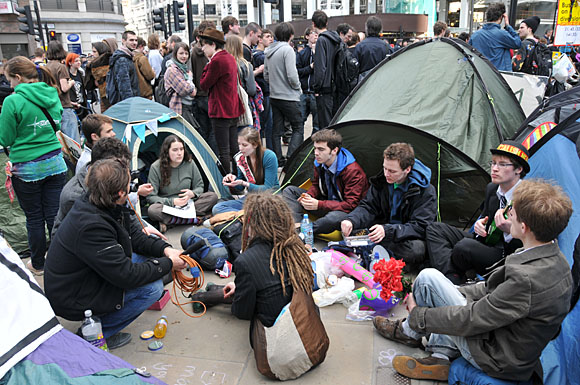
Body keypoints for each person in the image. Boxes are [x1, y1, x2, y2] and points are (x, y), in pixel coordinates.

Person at [375, 180, 573, 383]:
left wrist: (419, 315)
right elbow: (490, 291)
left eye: (511, 214)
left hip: (495, 357)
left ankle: (413, 331)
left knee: (428, 282)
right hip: (507, 339)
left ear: (524, 227)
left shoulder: (526, 279)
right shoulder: (556, 260)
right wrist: (455, 291)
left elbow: (472, 319)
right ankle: (439, 354)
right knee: (436, 282)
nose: (507, 215)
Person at [44, 158, 187, 349]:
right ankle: (91, 339)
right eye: (129, 183)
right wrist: (169, 264)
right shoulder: (91, 226)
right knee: (151, 288)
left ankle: (101, 322)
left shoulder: (100, 199)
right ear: (120, 192)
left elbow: (135, 237)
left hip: (86, 275)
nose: (131, 187)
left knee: (150, 262)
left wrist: (165, 249)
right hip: (72, 295)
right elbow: (127, 276)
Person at [0, 56, 67, 275]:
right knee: (55, 215)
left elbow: (5, 138)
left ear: (17, 77)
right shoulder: (51, 93)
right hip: (55, 164)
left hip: (27, 169)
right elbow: (57, 123)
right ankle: (62, 261)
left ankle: (38, 263)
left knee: (35, 218)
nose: (9, 84)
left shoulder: (13, 100)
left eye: (9, 79)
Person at [425, 140, 528, 284]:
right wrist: (480, 224)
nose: (494, 168)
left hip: (505, 254)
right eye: (493, 163)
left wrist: (509, 232)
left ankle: (452, 276)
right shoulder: (492, 189)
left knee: (464, 247)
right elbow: (486, 218)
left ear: (518, 169)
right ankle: (452, 278)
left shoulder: (526, 198)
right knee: (435, 228)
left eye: (502, 164)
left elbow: (528, 246)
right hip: (485, 241)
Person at [223, 193, 314, 329]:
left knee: (237, 294)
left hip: (275, 334)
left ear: (251, 223)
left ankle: (201, 297)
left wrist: (242, 290)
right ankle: (205, 295)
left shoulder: (247, 261)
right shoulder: (296, 245)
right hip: (305, 323)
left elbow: (242, 313)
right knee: (239, 289)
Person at [341, 143, 437, 267]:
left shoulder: (426, 191)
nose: (386, 174)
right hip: (383, 231)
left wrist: (388, 231)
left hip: (405, 236)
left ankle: (370, 251)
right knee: (350, 227)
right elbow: (368, 206)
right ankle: (379, 252)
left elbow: (420, 227)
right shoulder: (382, 181)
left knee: (416, 250)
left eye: (392, 171)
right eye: (385, 168)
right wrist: (351, 220)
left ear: (407, 169)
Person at [53, 136, 160, 239]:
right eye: (120, 169)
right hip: (87, 244)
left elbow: (124, 211)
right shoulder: (75, 196)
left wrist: (142, 228)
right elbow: (95, 240)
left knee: (154, 239)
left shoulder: (108, 182)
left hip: (108, 235)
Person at [282, 129, 368, 234]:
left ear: (334, 150)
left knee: (333, 218)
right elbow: (316, 185)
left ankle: (305, 231)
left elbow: (351, 205)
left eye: (321, 149)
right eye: (315, 149)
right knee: (290, 191)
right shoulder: (319, 163)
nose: (316, 153)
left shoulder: (352, 171)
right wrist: (309, 196)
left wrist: (319, 204)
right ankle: (295, 225)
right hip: (326, 202)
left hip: (344, 211)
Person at [146, 135, 218, 230]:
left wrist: (192, 193)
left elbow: (200, 186)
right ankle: (195, 219)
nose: (179, 153)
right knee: (152, 210)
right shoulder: (156, 167)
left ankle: (172, 222)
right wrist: (172, 202)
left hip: (188, 203)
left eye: (181, 149)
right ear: (167, 152)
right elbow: (151, 197)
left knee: (212, 197)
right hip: (169, 206)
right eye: (175, 150)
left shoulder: (190, 163)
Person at [199, 28, 244, 174]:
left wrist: (207, 65)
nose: (202, 49)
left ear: (212, 44)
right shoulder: (229, 58)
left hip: (220, 111)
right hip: (232, 109)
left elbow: (204, 84)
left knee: (223, 150)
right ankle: (239, 179)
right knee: (234, 149)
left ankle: (228, 184)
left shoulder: (216, 61)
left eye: (204, 45)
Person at [212, 127, 280, 214]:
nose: (240, 148)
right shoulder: (240, 158)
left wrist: (244, 183)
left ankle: (244, 216)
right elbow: (240, 188)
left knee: (263, 212)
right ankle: (246, 215)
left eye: (244, 145)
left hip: (269, 199)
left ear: (255, 145)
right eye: (239, 144)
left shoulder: (269, 156)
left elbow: (267, 188)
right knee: (217, 207)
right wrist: (233, 179)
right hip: (251, 198)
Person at [265, 22, 303, 166]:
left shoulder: (269, 51)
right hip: (289, 96)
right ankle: (291, 159)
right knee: (298, 126)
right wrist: (297, 88)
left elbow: (267, 75)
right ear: (291, 35)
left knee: (277, 129)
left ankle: (278, 160)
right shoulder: (288, 50)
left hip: (274, 95)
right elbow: (292, 75)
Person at [191, 21, 218, 154]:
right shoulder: (209, 51)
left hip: (199, 95)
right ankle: (213, 159)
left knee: (205, 131)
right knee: (214, 130)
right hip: (209, 95)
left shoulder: (193, 51)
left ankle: (206, 158)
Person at [469, 2, 521, 71]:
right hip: (499, 76)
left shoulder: (475, 36)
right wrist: (508, 26)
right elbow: (518, 43)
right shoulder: (502, 34)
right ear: (501, 17)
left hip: (481, 75)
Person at [312, 10, 340, 129]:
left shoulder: (321, 41)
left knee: (325, 127)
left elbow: (320, 68)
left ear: (313, 24)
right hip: (336, 87)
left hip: (325, 89)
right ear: (327, 23)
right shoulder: (336, 39)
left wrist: (317, 87)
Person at [46, 40, 79, 142]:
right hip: (64, 108)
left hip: (52, 108)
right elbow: (64, 88)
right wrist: (71, 83)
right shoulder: (61, 67)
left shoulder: (45, 68)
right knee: (72, 141)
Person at [226, 35, 256, 129]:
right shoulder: (246, 65)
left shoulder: (223, 64)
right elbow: (251, 90)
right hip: (242, 105)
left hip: (227, 106)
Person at [164, 42, 198, 127]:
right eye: (181, 53)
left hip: (188, 107)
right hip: (180, 108)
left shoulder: (183, 68)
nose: (184, 56)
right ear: (175, 54)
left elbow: (192, 91)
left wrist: (191, 87)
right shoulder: (172, 70)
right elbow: (185, 90)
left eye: (186, 53)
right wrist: (190, 79)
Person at [252, 29, 274, 149]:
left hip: (264, 93)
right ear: (260, 39)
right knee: (266, 124)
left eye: (271, 36)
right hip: (263, 93)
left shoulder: (260, 54)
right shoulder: (260, 56)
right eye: (267, 36)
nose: (270, 39)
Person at [106, 30, 140, 105]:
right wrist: (130, 104)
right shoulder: (122, 60)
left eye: (136, 40)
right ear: (123, 41)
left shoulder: (126, 56)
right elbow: (124, 86)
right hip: (127, 102)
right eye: (131, 40)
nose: (134, 43)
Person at [296, 27, 319, 133]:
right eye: (313, 33)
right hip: (304, 92)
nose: (315, 35)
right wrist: (310, 67)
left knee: (317, 124)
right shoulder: (302, 53)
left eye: (317, 33)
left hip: (316, 93)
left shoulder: (320, 52)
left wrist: (315, 53)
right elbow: (298, 71)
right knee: (299, 122)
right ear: (307, 36)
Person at [85, 39, 117, 113]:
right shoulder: (94, 64)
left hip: (110, 98)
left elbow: (90, 84)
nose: (92, 54)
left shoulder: (100, 65)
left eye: (94, 51)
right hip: (105, 98)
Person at [65, 53, 88, 122]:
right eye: (76, 61)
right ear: (70, 63)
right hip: (72, 105)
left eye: (79, 61)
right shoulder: (66, 75)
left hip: (82, 104)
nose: (79, 63)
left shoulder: (80, 73)